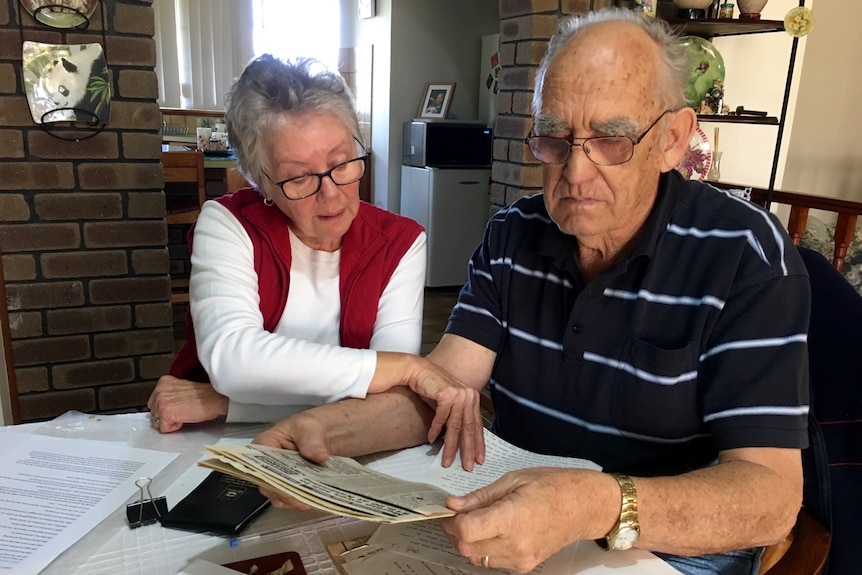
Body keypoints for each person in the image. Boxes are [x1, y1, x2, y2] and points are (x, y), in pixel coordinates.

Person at [255, 9, 810, 575]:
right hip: (514, 519)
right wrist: (326, 431)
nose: (575, 171)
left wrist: (592, 505)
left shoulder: (744, 254)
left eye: (612, 138)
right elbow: (444, 389)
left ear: (671, 140)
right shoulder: (513, 234)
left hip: (665, 547)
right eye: (554, 137)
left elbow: (771, 499)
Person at [147, 55, 480, 441]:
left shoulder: (400, 243)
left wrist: (229, 403)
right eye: (300, 177)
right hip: (213, 440)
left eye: (342, 163)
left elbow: (387, 399)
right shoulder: (227, 223)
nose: (331, 193)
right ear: (262, 182)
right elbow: (233, 358)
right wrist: (401, 368)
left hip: (334, 441)